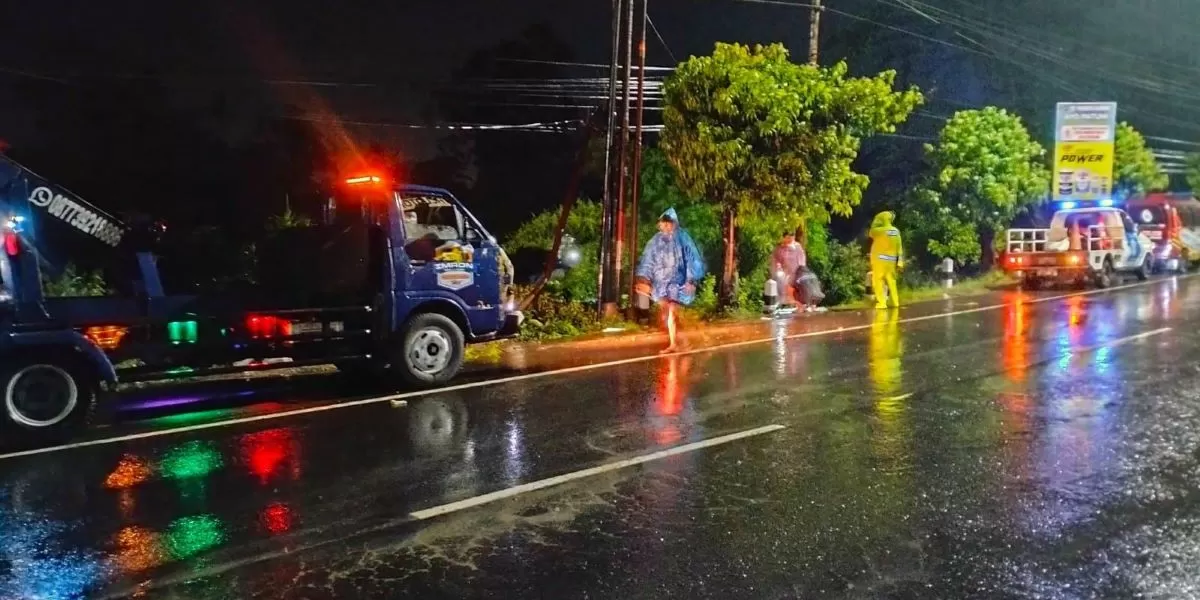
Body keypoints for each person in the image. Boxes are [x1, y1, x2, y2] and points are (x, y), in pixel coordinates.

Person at [636, 208, 706, 354]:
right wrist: (644, 278)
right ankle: (680, 341)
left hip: (678, 284)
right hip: (661, 285)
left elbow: (692, 258)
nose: (666, 226)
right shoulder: (655, 241)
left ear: (674, 224)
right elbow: (648, 260)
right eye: (664, 223)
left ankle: (678, 342)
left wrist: (691, 280)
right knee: (666, 315)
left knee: (672, 313)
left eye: (669, 223)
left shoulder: (682, 238)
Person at [869, 211, 903, 309]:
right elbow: (899, 248)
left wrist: (876, 220)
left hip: (880, 261)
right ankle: (895, 302)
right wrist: (900, 262)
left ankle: (882, 303)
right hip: (891, 261)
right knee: (891, 281)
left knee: (878, 281)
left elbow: (871, 232)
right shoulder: (895, 231)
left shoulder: (878, 231)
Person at [772, 229, 806, 311]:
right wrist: (779, 268)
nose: (789, 239)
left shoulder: (797, 247)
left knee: (796, 288)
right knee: (782, 284)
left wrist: (801, 269)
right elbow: (776, 260)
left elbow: (802, 259)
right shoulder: (779, 248)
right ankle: (782, 303)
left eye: (791, 237)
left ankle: (798, 305)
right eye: (787, 237)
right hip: (784, 272)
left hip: (796, 271)